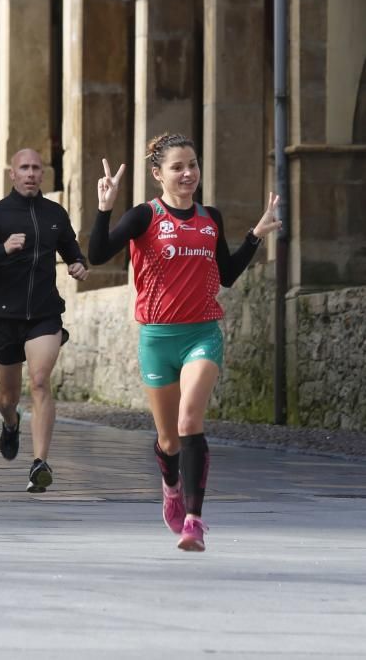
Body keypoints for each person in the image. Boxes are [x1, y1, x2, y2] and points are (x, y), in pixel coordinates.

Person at [88, 133, 280, 552]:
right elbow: (98, 253)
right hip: (157, 338)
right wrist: (105, 208)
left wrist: (255, 235)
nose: (188, 173)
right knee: (169, 440)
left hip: (202, 334)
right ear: (158, 174)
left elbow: (226, 274)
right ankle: (171, 485)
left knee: (190, 421)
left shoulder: (211, 217)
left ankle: (194, 520)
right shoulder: (144, 216)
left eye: (192, 165)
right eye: (178, 167)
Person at [0, 148, 89, 494]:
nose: (31, 173)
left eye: (36, 168)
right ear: (12, 174)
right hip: (3, 317)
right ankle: (11, 422)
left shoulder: (55, 214)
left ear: (42, 175)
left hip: (44, 314)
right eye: (24, 168)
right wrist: (1, 249)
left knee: (40, 381)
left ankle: (40, 464)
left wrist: (78, 264)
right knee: (7, 396)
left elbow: (72, 251)